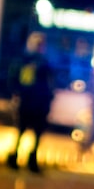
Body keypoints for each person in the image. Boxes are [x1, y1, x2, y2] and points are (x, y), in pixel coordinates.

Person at [6, 32, 55, 173]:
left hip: (37, 103)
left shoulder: (42, 62)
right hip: (29, 102)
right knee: (23, 131)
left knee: (33, 133)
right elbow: (15, 80)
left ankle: (27, 160)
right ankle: (19, 158)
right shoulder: (27, 61)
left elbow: (51, 84)